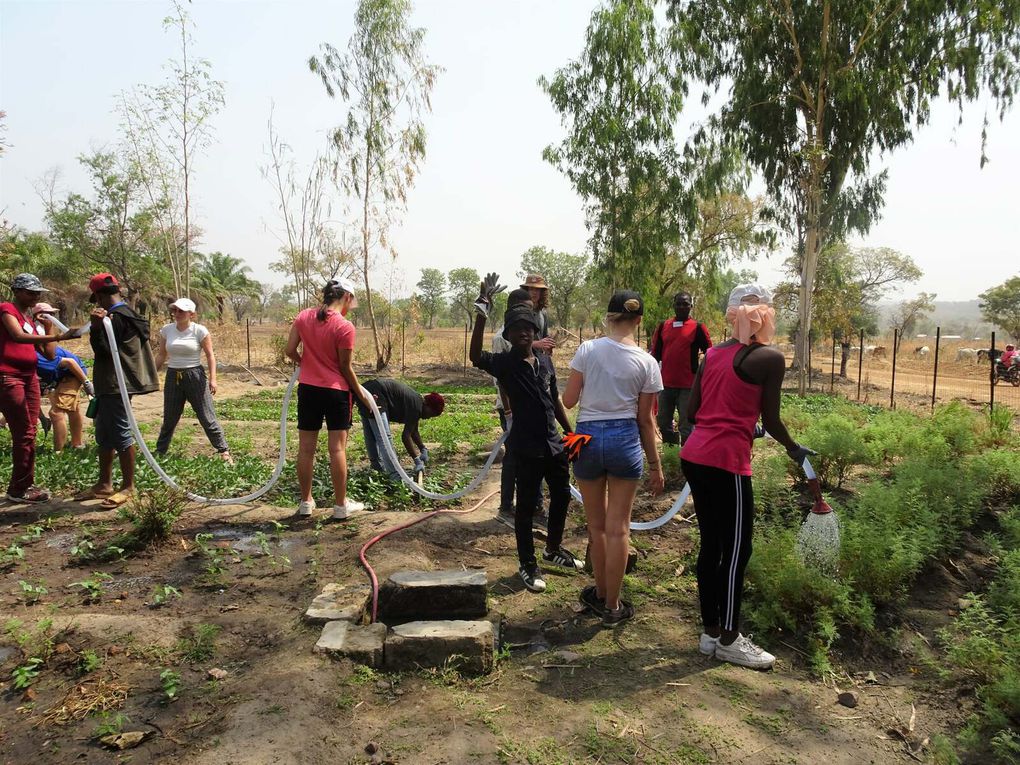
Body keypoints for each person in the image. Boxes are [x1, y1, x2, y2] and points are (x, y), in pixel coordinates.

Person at [681, 284, 814, 670]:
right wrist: (794, 448)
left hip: (696, 455)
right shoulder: (770, 358)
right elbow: (771, 420)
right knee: (738, 549)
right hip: (727, 461)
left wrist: (737, 419)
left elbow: (692, 413)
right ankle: (729, 638)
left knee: (711, 546)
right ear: (766, 316)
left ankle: (710, 632)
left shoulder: (713, 355)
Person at [470, 273, 583, 593]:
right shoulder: (505, 364)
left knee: (561, 496)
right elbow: (475, 356)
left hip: (553, 444)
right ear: (509, 333)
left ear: (535, 332)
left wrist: (571, 434)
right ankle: (527, 564)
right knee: (526, 506)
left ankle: (553, 549)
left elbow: (555, 400)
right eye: (517, 329)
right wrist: (482, 308)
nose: (523, 333)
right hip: (526, 447)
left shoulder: (545, 362)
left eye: (528, 328)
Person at [562, 290, 664, 626]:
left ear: (609, 318)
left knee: (597, 526)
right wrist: (655, 465)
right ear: (638, 321)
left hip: (587, 439)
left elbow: (569, 401)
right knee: (619, 528)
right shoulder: (647, 362)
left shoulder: (587, 349)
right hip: (624, 441)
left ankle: (601, 593)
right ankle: (613, 607)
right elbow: (646, 420)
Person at [285, 278, 372, 520]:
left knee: (305, 449)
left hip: (309, 389)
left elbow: (289, 350)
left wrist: (308, 365)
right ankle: (341, 506)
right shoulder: (345, 327)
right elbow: (345, 367)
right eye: (350, 303)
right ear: (346, 297)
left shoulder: (303, 317)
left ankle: (305, 502)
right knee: (337, 449)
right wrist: (361, 394)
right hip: (336, 393)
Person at [75, 273, 159, 510]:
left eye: (98, 299)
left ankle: (129, 486)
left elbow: (103, 350)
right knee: (103, 432)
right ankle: (104, 483)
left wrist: (96, 326)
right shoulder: (127, 315)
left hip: (115, 384)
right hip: (108, 384)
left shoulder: (117, 319)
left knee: (120, 432)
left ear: (99, 296)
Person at [0, 274, 77, 502]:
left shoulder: (30, 320)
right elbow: (17, 336)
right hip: (9, 377)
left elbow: (49, 353)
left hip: (29, 377)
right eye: (30, 292)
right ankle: (19, 488)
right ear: (17, 291)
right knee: (23, 432)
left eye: (38, 293)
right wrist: (61, 336)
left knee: (30, 431)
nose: (35, 296)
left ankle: (24, 484)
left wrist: (47, 327)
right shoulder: (7, 309)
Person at [154, 297, 232, 463]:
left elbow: (210, 356)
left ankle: (223, 451)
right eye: (175, 310)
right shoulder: (167, 330)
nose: (177, 314)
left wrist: (213, 379)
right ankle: (160, 452)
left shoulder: (199, 331)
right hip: (173, 375)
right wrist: (152, 373)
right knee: (170, 417)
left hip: (194, 376)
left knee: (206, 415)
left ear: (192, 314)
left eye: (181, 311)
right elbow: (162, 354)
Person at [493, 288, 535, 528]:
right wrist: (509, 412)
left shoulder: (524, 331)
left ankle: (527, 505)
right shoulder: (503, 336)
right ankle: (506, 506)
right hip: (511, 406)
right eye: (526, 307)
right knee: (514, 456)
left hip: (524, 405)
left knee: (526, 455)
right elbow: (502, 378)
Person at [650, 291, 712, 445]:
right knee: (663, 422)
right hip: (665, 385)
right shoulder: (664, 326)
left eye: (685, 303)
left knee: (687, 426)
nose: (682, 306)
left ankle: (686, 460)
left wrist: (703, 376)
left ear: (691, 306)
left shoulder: (698, 327)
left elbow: (710, 354)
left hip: (688, 386)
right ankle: (670, 454)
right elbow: (655, 354)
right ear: (673, 305)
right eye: (679, 303)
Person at [32, 303, 93, 452]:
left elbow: (69, 362)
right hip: (60, 374)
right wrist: (40, 417)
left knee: (56, 413)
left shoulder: (38, 349)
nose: (52, 317)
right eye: (48, 314)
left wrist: (86, 382)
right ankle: (77, 444)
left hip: (71, 372)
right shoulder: (34, 334)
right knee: (72, 409)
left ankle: (58, 453)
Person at [355, 378, 445, 478]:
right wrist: (416, 460)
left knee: (371, 435)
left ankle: (377, 468)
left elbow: (413, 431)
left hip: (366, 390)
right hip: (376, 393)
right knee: (384, 437)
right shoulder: (417, 407)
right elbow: (405, 437)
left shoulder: (417, 402)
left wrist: (423, 448)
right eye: (431, 414)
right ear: (428, 405)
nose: (428, 418)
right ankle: (395, 475)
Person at [521, 274, 555, 354]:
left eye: (537, 289)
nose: (534, 293)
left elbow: (544, 336)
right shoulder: (519, 312)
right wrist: (536, 344)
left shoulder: (543, 313)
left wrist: (548, 346)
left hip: (539, 358)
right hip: (523, 358)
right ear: (526, 291)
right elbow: (513, 341)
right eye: (531, 289)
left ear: (542, 292)